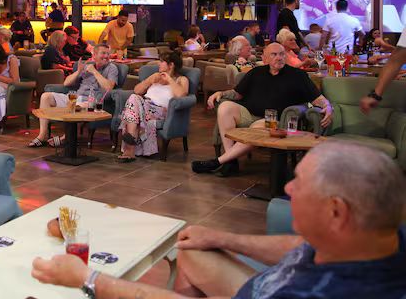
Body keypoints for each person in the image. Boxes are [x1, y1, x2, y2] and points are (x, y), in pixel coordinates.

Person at [31, 141, 406, 299]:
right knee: (192, 247)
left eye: (300, 184)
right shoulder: (381, 238)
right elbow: (300, 246)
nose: (288, 190)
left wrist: (89, 279)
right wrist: (224, 238)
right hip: (260, 285)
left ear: (336, 212)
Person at [193, 43, 332, 177]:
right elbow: (237, 94)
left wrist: (327, 106)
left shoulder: (297, 75)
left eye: (282, 54)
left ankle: (218, 162)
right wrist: (221, 93)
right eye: (274, 54)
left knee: (257, 128)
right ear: (265, 58)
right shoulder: (256, 72)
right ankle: (230, 160)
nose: (279, 57)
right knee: (225, 107)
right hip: (249, 113)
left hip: (273, 120)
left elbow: (318, 99)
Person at [28, 44, 118, 147]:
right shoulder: (87, 66)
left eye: (108, 54)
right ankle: (42, 135)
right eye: (103, 53)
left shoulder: (112, 68)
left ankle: (66, 138)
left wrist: (94, 72)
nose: (106, 56)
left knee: (76, 107)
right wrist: (78, 71)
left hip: (92, 101)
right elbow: (66, 83)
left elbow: (109, 87)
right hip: (76, 97)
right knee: (46, 97)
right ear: (95, 55)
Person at [115, 51, 189, 162]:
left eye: (162, 61)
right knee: (134, 98)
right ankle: (131, 145)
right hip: (143, 106)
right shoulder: (155, 77)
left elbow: (181, 95)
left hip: (159, 111)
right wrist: (149, 80)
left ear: (171, 65)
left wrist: (169, 79)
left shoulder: (181, 79)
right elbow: (137, 90)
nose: (159, 64)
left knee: (133, 105)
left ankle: (130, 148)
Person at [359, 23, 406, 113]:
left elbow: (396, 58)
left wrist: (375, 95)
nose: (377, 35)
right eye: (375, 33)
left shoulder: (378, 41)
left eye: (378, 33)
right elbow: (397, 57)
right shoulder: (376, 41)